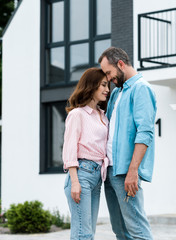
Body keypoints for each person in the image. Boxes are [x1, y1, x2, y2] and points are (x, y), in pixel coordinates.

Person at [98, 47, 157, 240]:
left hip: (125, 172)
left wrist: (133, 171)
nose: (108, 79)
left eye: (109, 73)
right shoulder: (116, 93)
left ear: (121, 64)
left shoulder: (142, 89)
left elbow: (145, 133)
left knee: (137, 231)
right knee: (120, 231)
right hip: (110, 171)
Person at [63, 68, 110, 240]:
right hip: (81, 175)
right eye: (103, 85)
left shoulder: (103, 115)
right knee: (83, 233)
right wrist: (75, 181)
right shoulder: (77, 114)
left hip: (97, 176)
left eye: (108, 85)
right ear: (91, 86)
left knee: (89, 232)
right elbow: (69, 149)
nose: (107, 89)